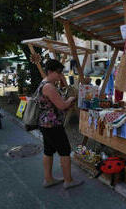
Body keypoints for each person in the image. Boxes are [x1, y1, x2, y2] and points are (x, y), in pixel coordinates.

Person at [37, 59, 83, 189]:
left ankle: (48, 179)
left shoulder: (44, 83)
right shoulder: (49, 86)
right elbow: (61, 105)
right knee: (64, 151)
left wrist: (62, 81)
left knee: (48, 151)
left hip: (45, 123)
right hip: (53, 124)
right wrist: (69, 99)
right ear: (50, 71)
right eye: (58, 73)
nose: (60, 75)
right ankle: (68, 181)